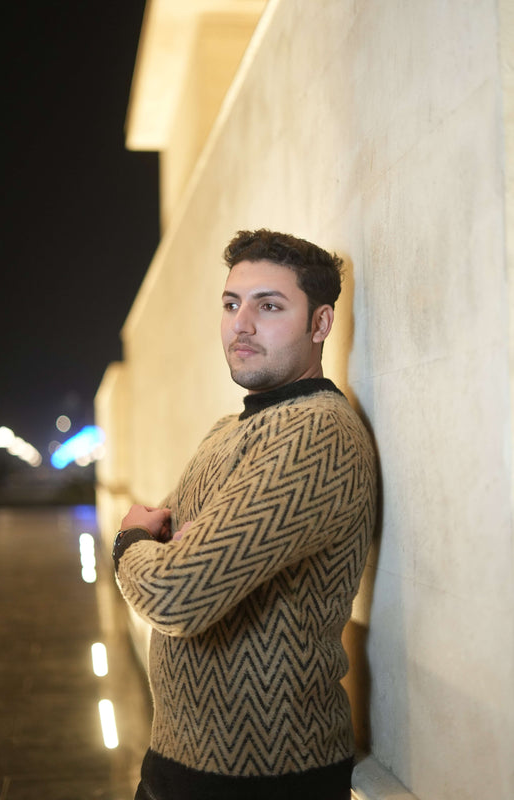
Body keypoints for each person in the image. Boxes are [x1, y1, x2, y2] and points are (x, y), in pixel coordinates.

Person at [112, 229, 377, 800]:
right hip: (175, 761)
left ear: (321, 324)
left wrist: (130, 540)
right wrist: (165, 548)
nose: (242, 325)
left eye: (269, 306)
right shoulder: (227, 430)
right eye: (231, 304)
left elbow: (174, 593)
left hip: (267, 778)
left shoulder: (316, 434)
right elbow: (173, 548)